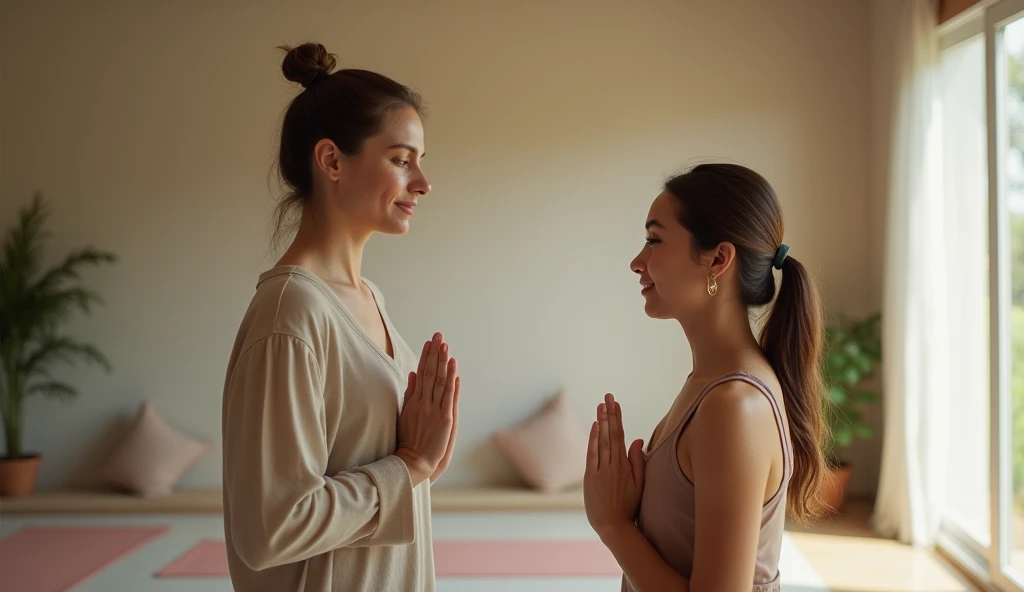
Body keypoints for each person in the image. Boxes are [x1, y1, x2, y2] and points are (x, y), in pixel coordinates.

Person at [221, 42, 459, 592]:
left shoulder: (368, 297)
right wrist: (410, 467)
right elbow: (270, 528)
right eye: (402, 160)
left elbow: (387, 472)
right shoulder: (292, 312)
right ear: (331, 161)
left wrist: (422, 459)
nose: (422, 182)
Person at [583, 163, 827, 592]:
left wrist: (614, 525)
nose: (637, 262)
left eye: (654, 240)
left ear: (718, 259)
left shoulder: (734, 405)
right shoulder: (711, 384)